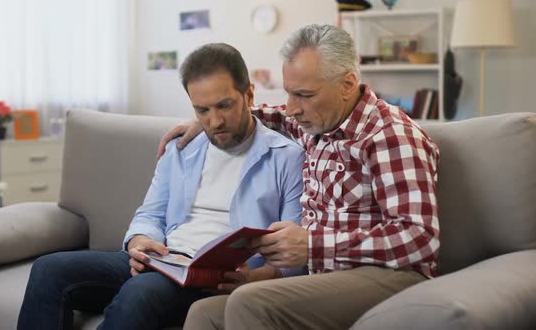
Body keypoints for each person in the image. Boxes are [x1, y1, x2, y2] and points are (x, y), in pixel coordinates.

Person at [158, 24, 441, 329]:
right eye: (289, 92)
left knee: (249, 302)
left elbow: (419, 238)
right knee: (203, 313)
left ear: (347, 84)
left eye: (304, 95)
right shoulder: (316, 122)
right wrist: (213, 120)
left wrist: (313, 245)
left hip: (388, 275)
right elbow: (274, 115)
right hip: (326, 276)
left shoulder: (389, 136)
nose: (292, 108)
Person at [16, 43, 306, 330]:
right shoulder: (182, 148)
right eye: (202, 110)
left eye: (224, 105)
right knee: (49, 269)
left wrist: (254, 279)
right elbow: (150, 213)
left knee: (140, 292)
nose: (214, 121)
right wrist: (139, 242)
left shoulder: (286, 157)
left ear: (249, 94)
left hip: (217, 276)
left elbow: (292, 259)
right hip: (166, 260)